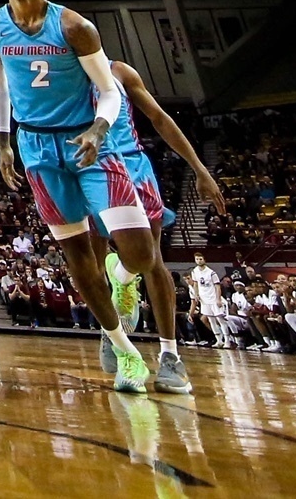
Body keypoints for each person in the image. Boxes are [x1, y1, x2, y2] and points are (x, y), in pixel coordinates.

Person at [0, 0, 179, 394]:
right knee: (75, 255)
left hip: (88, 142)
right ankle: (124, 350)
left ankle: (123, 277)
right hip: (36, 148)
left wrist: (100, 128)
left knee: (142, 254)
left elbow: (108, 90)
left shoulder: (74, 26)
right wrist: (3, 143)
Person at [93, 56, 224, 388]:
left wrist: (199, 168)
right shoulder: (61, 76)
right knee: (91, 268)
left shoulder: (119, 71)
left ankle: (170, 355)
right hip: (91, 171)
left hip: (134, 167)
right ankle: (116, 336)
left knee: (153, 262)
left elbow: (159, 117)